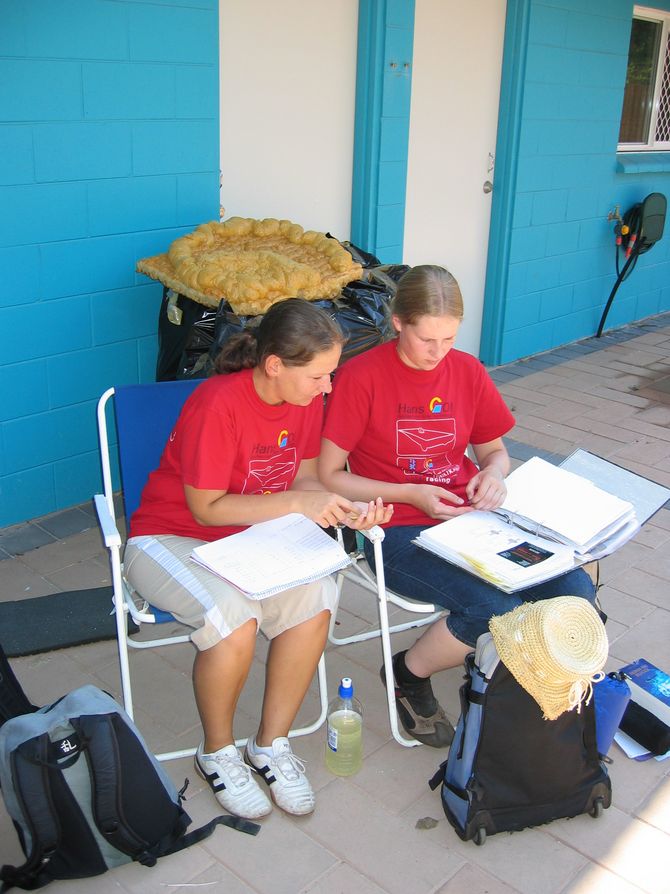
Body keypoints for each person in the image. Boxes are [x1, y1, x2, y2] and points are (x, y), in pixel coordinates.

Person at [124, 298, 390, 819]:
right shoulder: (217, 403)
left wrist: (344, 507)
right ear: (274, 365)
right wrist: (297, 503)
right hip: (169, 537)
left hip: (248, 541)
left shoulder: (307, 401)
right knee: (232, 619)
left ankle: (270, 745)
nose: (328, 387)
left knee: (318, 596)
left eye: (330, 375)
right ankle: (217, 753)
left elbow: (307, 478)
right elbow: (205, 508)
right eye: (319, 376)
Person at [318, 265, 596, 747]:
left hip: (472, 521)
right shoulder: (362, 376)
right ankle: (407, 672)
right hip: (395, 525)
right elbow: (329, 474)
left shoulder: (466, 370)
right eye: (427, 339)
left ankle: (520, 671)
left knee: (573, 588)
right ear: (398, 322)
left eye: (448, 339)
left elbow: (494, 451)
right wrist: (410, 493)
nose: (438, 353)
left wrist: (492, 475)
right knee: (493, 607)